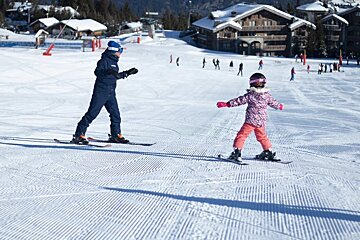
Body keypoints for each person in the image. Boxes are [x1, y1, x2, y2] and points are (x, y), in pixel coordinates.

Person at [72, 40, 138, 144]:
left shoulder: (114, 63)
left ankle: (115, 135)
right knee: (92, 114)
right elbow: (97, 72)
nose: (120, 54)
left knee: (115, 114)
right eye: (120, 51)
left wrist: (128, 73)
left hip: (111, 92)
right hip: (101, 92)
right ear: (114, 51)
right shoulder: (104, 61)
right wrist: (107, 71)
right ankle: (79, 135)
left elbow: (115, 76)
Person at [216, 73, 283, 162]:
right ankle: (268, 151)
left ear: (251, 83)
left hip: (250, 121)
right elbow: (274, 103)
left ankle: (237, 152)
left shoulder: (250, 95)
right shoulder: (267, 96)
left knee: (242, 135)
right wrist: (279, 106)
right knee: (262, 136)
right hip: (260, 122)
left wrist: (227, 104)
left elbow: (239, 101)